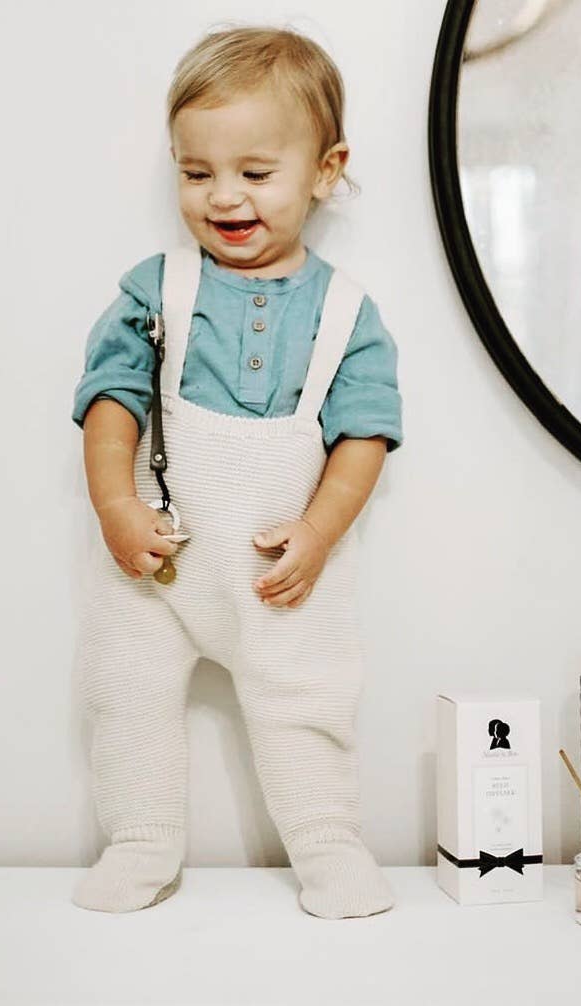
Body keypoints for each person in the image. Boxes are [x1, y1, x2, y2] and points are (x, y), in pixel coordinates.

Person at [70, 24, 402, 920]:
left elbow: (363, 438)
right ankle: (139, 841)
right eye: (196, 172)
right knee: (126, 691)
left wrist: (319, 532)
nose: (223, 196)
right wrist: (115, 505)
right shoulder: (155, 289)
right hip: (157, 559)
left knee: (304, 702)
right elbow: (111, 402)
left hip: (278, 568)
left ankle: (328, 847)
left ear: (326, 170)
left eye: (255, 172)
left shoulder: (349, 314)